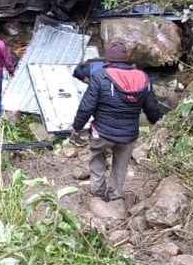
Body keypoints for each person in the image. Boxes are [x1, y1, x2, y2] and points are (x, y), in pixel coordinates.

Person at [71, 41, 166, 201]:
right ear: (126, 58)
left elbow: (86, 107)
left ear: (107, 59)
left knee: (97, 157)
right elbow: (152, 107)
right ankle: (114, 195)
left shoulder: (100, 76)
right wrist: (155, 121)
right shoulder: (142, 77)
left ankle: (98, 192)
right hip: (128, 135)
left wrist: (77, 126)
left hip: (102, 132)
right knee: (121, 165)